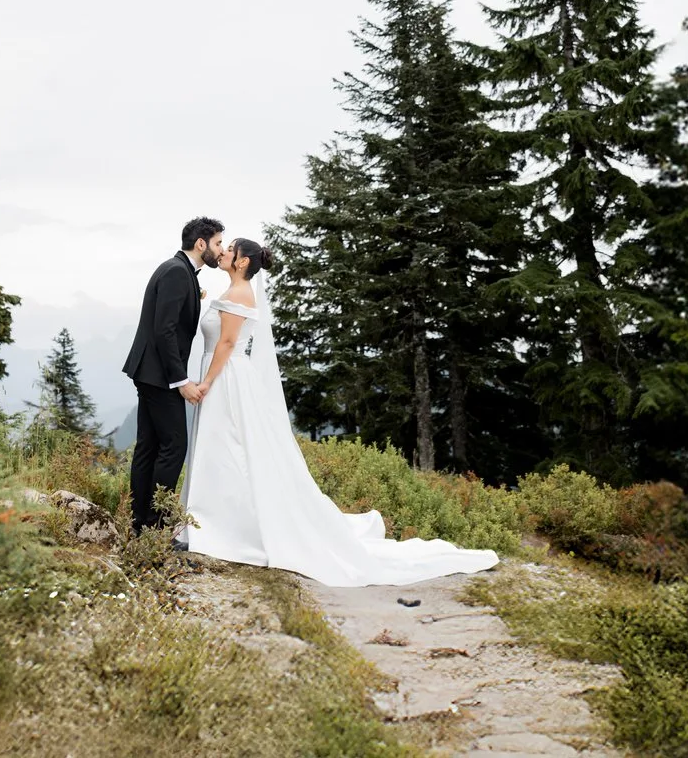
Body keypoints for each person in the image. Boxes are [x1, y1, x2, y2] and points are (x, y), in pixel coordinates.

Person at [176, 236, 500, 587]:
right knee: (223, 447)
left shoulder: (240, 293)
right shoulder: (231, 290)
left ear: (242, 262)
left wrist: (206, 382)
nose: (223, 252)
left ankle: (223, 525)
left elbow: (227, 343)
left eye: (229, 249)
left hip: (226, 377)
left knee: (228, 446)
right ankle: (212, 518)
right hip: (224, 374)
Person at [120, 215, 223, 536]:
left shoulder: (179, 270)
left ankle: (141, 524)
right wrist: (181, 381)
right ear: (201, 243)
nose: (221, 250)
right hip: (160, 375)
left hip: (150, 371)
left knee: (149, 447)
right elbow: (163, 330)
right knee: (174, 446)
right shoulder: (177, 272)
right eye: (218, 243)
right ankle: (157, 525)